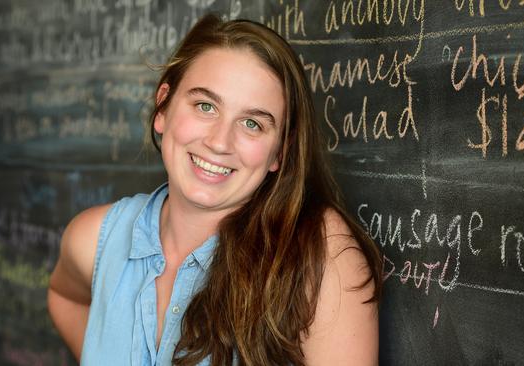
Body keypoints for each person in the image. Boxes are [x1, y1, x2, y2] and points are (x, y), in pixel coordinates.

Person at [47, 14, 382, 366]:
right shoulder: (94, 238)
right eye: (205, 106)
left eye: (252, 123)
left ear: (280, 151)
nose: (220, 142)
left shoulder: (320, 253)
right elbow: (64, 297)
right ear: (163, 106)